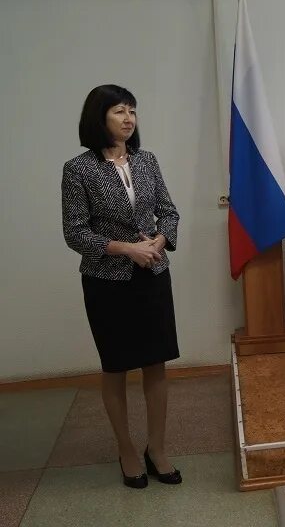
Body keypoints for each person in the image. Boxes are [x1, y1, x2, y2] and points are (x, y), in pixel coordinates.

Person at [61, 84, 182, 489]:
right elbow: (76, 233)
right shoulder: (78, 169)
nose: (129, 118)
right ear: (99, 118)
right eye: (119, 111)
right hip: (107, 282)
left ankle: (158, 448)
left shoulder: (147, 161)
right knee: (115, 366)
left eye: (132, 110)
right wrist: (126, 249)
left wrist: (158, 243)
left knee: (156, 363)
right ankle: (127, 449)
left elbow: (168, 211)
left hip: (153, 274)